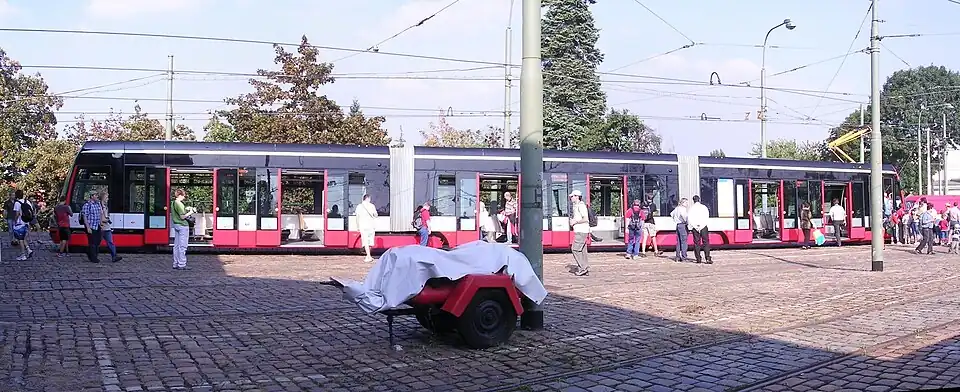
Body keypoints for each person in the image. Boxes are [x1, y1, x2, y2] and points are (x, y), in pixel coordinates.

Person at [171, 188, 195, 270]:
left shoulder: (173, 203)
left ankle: (175, 263)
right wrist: (191, 212)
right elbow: (182, 217)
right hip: (183, 226)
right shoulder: (179, 204)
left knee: (176, 246)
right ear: (180, 195)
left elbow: (178, 213)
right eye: (183, 196)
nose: (184, 197)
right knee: (183, 246)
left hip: (176, 225)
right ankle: (182, 264)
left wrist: (186, 209)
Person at [569, 190, 590, 276]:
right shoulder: (577, 205)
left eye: (572, 196)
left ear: (577, 196)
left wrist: (575, 222)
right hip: (582, 231)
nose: (571, 198)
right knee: (582, 250)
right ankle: (585, 268)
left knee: (575, 249)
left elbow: (586, 219)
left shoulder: (581, 206)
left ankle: (583, 268)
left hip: (581, 231)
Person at [687, 195, 712, 264]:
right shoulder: (704, 207)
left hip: (695, 228)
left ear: (693, 200)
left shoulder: (691, 208)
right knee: (706, 242)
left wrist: (695, 226)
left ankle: (698, 258)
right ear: (699, 200)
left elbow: (689, 218)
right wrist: (702, 225)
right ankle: (707, 258)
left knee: (696, 243)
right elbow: (706, 217)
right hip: (703, 227)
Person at [99, 191, 122, 262]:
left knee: (110, 242)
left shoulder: (105, 206)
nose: (108, 199)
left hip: (106, 227)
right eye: (106, 197)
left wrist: (107, 219)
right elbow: (101, 218)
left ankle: (114, 256)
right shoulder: (99, 206)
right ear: (103, 197)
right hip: (101, 227)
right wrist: (106, 220)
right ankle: (92, 255)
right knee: (96, 243)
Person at [11, 190, 34, 260]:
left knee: (20, 239)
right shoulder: (27, 201)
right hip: (26, 222)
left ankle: (23, 255)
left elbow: (17, 214)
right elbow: (31, 211)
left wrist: (15, 221)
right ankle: (29, 250)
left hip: (20, 223)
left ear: (16, 195)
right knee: (23, 238)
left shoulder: (17, 203)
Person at [81, 192, 103, 263]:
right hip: (91, 226)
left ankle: (91, 253)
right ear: (92, 196)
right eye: (96, 195)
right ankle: (93, 258)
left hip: (97, 226)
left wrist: (100, 223)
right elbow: (85, 217)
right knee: (92, 242)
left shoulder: (98, 204)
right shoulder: (87, 205)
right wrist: (88, 227)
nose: (97, 196)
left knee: (98, 241)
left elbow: (100, 213)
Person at [356, 194, 378, 262]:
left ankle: (368, 256)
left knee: (365, 242)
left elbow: (357, 217)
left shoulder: (359, 206)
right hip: (371, 226)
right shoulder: (372, 206)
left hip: (363, 226)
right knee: (370, 242)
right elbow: (376, 215)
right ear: (368, 198)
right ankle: (369, 256)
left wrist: (358, 226)